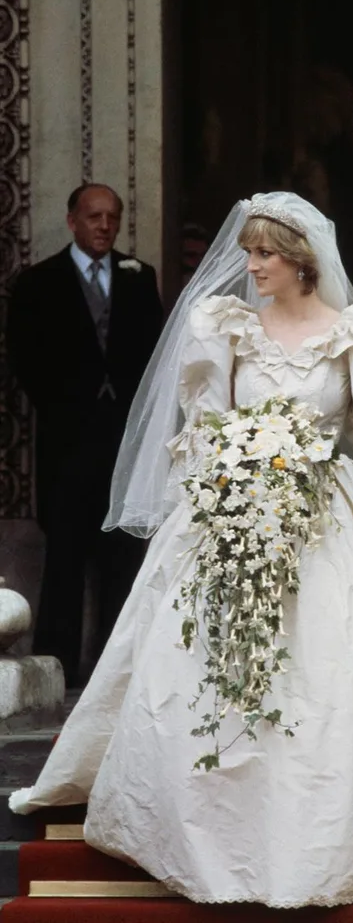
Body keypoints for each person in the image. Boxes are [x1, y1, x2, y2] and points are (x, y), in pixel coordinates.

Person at [10, 192, 353, 907]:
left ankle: (325, 831)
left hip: (329, 514)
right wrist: (228, 494)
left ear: (302, 261)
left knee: (337, 661)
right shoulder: (222, 328)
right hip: (231, 508)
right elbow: (203, 429)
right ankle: (210, 833)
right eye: (250, 252)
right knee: (206, 662)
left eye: (264, 254)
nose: (247, 266)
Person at [6, 183, 163, 686]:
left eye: (112, 217)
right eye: (93, 216)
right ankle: (59, 672)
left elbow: (155, 355)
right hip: (67, 444)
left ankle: (116, 676)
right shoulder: (36, 283)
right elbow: (26, 359)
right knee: (65, 561)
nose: (103, 226)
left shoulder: (141, 279)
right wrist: (70, 405)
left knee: (122, 559)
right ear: (72, 220)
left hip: (124, 445)